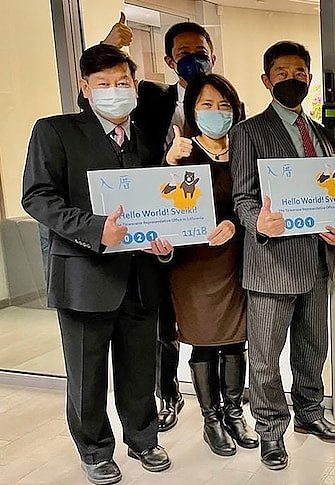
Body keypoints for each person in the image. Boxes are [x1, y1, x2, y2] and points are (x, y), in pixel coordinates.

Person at [21, 44, 174, 485]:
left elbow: (160, 205)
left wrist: (164, 244)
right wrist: (93, 229)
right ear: (84, 88)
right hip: (84, 277)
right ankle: (95, 450)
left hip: (141, 278)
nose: (113, 92)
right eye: (102, 85)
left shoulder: (147, 139)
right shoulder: (55, 131)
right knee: (87, 374)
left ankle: (144, 439)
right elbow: (37, 196)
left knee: (139, 367)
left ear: (135, 87)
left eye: (122, 83)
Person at [231, 41, 335, 471]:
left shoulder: (321, 134)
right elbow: (243, 197)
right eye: (282, 73)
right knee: (265, 356)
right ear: (266, 80)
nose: (292, 80)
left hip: (318, 262)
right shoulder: (248, 132)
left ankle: (309, 413)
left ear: (309, 79)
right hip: (271, 265)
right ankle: (269, 430)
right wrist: (256, 224)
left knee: (312, 347)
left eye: (299, 72)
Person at [101, 15, 219, 431]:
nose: (193, 60)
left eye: (200, 53)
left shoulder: (225, 102)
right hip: (162, 226)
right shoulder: (150, 99)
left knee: (214, 318)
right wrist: (112, 46)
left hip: (212, 235)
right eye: (184, 54)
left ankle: (221, 407)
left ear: (213, 55)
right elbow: (99, 97)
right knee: (161, 320)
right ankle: (168, 394)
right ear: (170, 59)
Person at [163, 73, 259, 456]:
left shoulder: (243, 148)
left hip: (237, 260)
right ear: (192, 110)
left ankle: (235, 414)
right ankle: (212, 419)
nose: (216, 113)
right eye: (206, 105)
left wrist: (234, 224)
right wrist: (167, 163)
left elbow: (253, 199)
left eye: (224, 106)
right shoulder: (182, 152)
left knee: (237, 339)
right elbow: (161, 204)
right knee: (204, 342)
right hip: (193, 266)